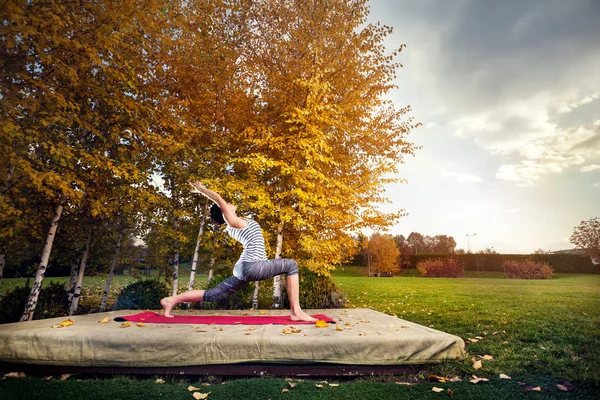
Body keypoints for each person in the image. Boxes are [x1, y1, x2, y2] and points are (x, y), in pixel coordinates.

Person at [160, 181, 317, 322]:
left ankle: (171, 300)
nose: (228, 203)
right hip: (252, 265)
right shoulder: (233, 222)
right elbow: (219, 199)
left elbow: (223, 205)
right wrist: (202, 189)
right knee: (291, 265)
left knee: (214, 294)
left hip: (243, 268)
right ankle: (296, 312)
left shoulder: (235, 224)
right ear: (224, 213)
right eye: (225, 205)